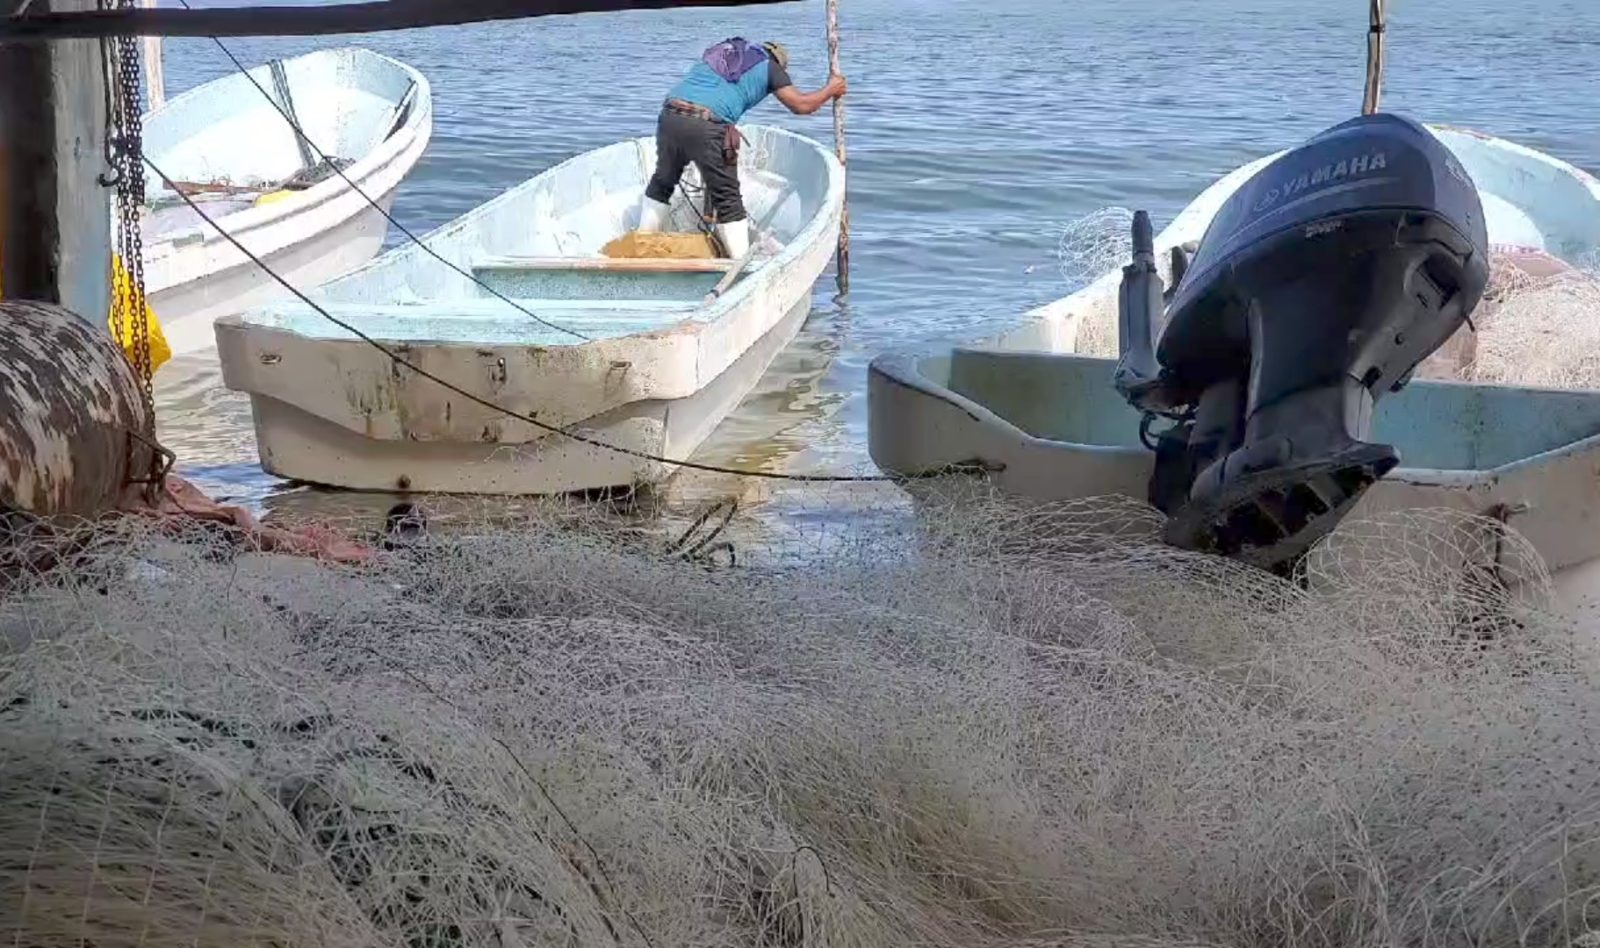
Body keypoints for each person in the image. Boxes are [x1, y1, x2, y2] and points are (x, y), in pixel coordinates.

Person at [636, 38, 847, 259]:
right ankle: (740, 266)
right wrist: (831, 89)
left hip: (670, 114)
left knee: (663, 180)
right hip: (706, 123)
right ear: (779, 63)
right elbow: (801, 105)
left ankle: (642, 241)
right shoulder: (770, 67)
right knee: (728, 199)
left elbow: (715, 90)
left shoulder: (723, 52)